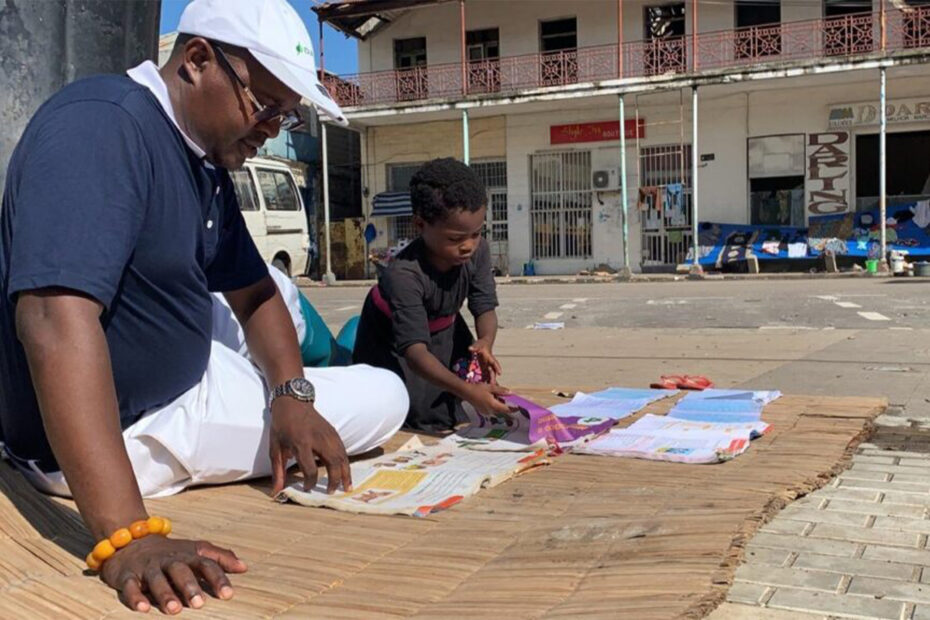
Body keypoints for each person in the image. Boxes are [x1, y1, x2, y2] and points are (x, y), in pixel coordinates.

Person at [0, 0, 407, 614]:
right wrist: (126, 537)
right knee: (385, 393)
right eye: (265, 105)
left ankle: (282, 388)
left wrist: (292, 397)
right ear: (196, 61)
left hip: (180, 369)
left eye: (287, 116)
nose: (274, 127)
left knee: (283, 296)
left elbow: (255, 293)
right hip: (139, 422)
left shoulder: (201, 157)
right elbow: (54, 320)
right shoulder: (100, 127)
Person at [353, 158, 512, 432]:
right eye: (455, 239)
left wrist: (485, 341)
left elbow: (484, 305)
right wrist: (467, 391)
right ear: (420, 225)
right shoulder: (404, 275)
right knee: (416, 417)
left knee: (459, 408)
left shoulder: (478, 250)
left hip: (446, 333)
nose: (468, 246)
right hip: (395, 346)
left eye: (476, 233)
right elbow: (414, 353)